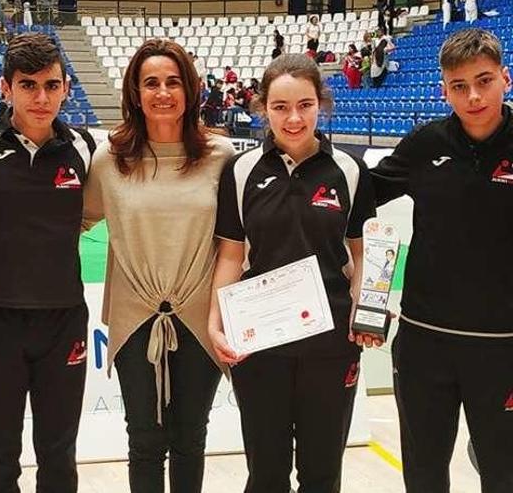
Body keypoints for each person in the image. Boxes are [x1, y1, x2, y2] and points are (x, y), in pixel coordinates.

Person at [209, 53, 379, 493]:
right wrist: (215, 322)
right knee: (266, 475)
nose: (293, 118)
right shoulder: (242, 171)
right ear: (263, 107)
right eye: (280, 107)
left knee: (321, 475)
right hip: (261, 346)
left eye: (304, 105)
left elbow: (364, 255)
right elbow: (231, 254)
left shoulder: (349, 170)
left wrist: (366, 310)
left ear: (320, 104)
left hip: (332, 344)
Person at [82, 38, 235, 493]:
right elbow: (70, 219)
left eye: (173, 82)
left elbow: (242, 237)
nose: (162, 92)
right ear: (134, 92)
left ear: (189, 90)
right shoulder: (110, 159)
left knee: (191, 437)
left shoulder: (221, 156)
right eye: (151, 83)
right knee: (144, 440)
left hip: (201, 317)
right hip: (136, 320)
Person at [0, 32, 96, 493]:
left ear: (66, 88)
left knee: (58, 455)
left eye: (52, 85)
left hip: (64, 320)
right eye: (28, 85)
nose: (41, 97)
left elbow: (95, 212)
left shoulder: (86, 147)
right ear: (5, 88)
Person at [370, 28, 513, 493]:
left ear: (505, 79)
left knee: (505, 473)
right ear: (443, 90)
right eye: (459, 86)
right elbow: (360, 197)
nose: (473, 96)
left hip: (504, 347)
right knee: (425, 474)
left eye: (484, 80)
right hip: (424, 343)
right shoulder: (424, 144)